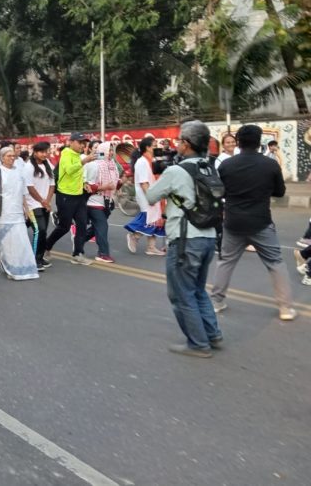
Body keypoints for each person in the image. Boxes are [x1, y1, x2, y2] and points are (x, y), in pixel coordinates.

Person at [145, 120, 222, 358]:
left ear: (186, 144)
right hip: (209, 236)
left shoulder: (176, 171)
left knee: (180, 293)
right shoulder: (210, 167)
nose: (177, 144)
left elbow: (151, 196)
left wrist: (162, 174)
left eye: (180, 140)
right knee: (198, 289)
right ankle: (212, 334)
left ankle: (198, 344)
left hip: (186, 240)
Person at [209, 125, 296, 320]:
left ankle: (216, 302)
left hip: (233, 223)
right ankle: (285, 308)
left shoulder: (226, 166)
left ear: (238, 142)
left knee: (225, 262)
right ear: (259, 143)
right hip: (261, 222)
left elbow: (220, 192)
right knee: (275, 263)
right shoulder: (270, 165)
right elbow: (280, 192)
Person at [0, 147, 39, 280]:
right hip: (4, 212)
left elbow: (22, 193)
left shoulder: (18, 172)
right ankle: (9, 266)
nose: (11, 158)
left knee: (21, 241)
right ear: (2, 157)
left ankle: (23, 268)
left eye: (13, 156)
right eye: (8, 156)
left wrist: (26, 210)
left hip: (17, 212)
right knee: (8, 243)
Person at [43, 133, 93, 266]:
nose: (82, 145)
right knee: (64, 226)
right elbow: (70, 170)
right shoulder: (66, 153)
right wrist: (84, 161)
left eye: (84, 143)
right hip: (65, 196)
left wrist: (84, 184)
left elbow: (77, 176)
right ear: (71, 142)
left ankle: (78, 254)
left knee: (82, 225)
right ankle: (46, 246)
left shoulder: (77, 155)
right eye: (79, 142)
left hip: (79, 196)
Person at [124, 137, 166, 256]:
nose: (156, 148)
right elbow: (143, 183)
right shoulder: (142, 162)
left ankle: (151, 247)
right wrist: (150, 197)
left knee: (156, 219)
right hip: (145, 194)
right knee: (149, 218)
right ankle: (134, 236)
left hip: (153, 192)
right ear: (147, 147)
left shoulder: (151, 161)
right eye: (153, 145)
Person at [83, 141, 120, 263]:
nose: (110, 153)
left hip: (107, 201)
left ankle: (79, 240)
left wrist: (120, 183)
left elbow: (114, 184)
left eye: (111, 150)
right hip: (93, 201)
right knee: (102, 225)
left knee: (96, 227)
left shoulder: (112, 165)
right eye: (108, 150)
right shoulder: (94, 165)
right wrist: (103, 187)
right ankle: (103, 253)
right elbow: (87, 185)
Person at [24, 142, 55, 271]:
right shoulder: (29, 166)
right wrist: (43, 201)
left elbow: (52, 185)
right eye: (41, 152)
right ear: (35, 152)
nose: (44, 154)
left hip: (44, 204)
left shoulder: (49, 166)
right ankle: (34, 260)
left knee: (43, 232)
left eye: (46, 152)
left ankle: (40, 257)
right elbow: (30, 188)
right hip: (33, 204)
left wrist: (47, 201)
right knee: (39, 230)